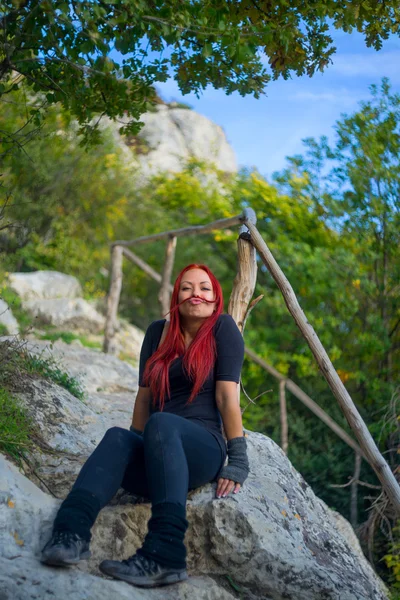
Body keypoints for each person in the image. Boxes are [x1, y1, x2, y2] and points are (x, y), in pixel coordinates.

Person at [40, 263, 249, 588]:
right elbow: (143, 399)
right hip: (159, 450)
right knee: (117, 438)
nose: (196, 293)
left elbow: (226, 398)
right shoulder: (157, 333)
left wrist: (237, 460)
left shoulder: (223, 329)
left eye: (205, 288)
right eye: (187, 287)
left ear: (215, 297)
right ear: (176, 296)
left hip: (202, 448)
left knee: (162, 424)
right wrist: (126, 455)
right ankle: (70, 533)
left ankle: (165, 555)